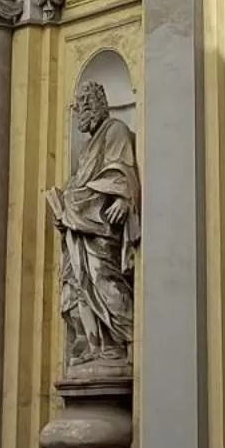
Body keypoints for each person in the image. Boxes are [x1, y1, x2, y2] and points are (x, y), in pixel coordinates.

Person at [46, 80, 139, 364]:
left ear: (98, 104)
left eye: (85, 104)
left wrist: (124, 197)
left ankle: (122, 341)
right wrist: (63, 211)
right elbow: (79, 183)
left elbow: (122, 168)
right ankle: (95, 345)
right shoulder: (86, 148)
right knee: (77, 287)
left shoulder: (115, 130)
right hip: (79, 228)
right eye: (78, 106)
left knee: (103, 279)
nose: (81, 111)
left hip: (101, 225)